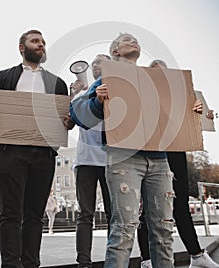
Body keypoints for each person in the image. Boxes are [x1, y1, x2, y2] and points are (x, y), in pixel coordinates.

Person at [70, 33, 176, 268]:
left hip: (159, 159)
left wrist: (192, 108)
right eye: (127, 40)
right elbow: (79, 114)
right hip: (124, 158)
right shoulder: (108, 78)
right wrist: (97, 101)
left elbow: (173, 113)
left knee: (164, 230)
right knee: (124, 229)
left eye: (136, 40)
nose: (134, 41)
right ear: (115, 52)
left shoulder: (153, 79)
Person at [0, 29, 73, 268]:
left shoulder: (57, 83)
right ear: (22, 48)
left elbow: (65, 120)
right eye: (35, 41)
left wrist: (69, 121)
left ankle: (31, 263)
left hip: (44, 154)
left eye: (43, 42)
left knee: (35, 215)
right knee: (11, 213)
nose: (41, 45)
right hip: (12, 153)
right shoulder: (4, 78)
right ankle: (11, 264)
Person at [137, 59, 219, 268]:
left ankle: (197, 254)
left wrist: (200, 115)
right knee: (148, 207)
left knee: (180, 204)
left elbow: (197, 127)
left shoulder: (180, 99)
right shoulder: (142, 97)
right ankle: (147, 259)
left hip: (175, 152)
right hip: (151, 153)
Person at [70, 54, 111, 268]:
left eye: (100, 62)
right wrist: (74, 96)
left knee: (114, 214)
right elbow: (69, 120)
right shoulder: (82, 93)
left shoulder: (117, 89)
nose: (96, 65)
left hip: (110, 161)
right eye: (93, 63)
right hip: (85, 160)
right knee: (85, 214)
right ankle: (84, 262)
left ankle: (113, 260)